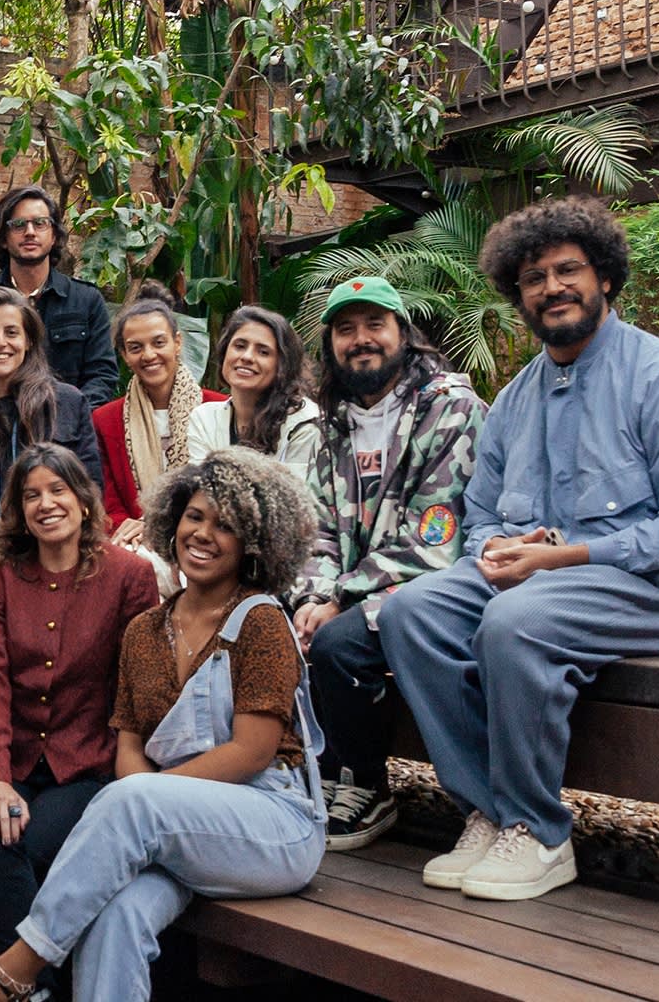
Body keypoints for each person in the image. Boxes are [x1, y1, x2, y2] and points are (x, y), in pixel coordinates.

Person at [377, 197, 659, 902]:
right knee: (410, 611)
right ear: (518, 294)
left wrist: (560, 558)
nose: (551, 287)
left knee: (517, 620)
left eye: (568, 269)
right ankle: (490, 808)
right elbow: (479, 514)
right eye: (533, 277)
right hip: (537, 582)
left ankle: (540, 832)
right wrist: (492, 552)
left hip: (656, 590)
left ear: (604, 277)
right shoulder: (515, 398)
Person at [0, 447, 325, 1002]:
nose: (203, 534)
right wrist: (150, 799)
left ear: (255, 543)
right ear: (172, 521)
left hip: (272, 823)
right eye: (194, 517)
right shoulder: (148, 631)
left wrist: (151, 797)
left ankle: (15, 974)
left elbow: (252, 752)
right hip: (178, 828)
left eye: (225, 525)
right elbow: (129, 751)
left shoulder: (259, 619)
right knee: (114, 915)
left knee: (128, 800)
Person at [292, 276, 487, 852]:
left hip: (436, 587)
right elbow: (317, 527)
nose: (361, 340)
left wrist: (337, 600)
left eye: (375, 324)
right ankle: (320, 772)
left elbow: (434, 539)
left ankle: (367, 785)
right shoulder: (330, 425)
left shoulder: (452, 410)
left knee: (342, 643)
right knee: (285, 627)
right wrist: (310, 598)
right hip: (352, 591)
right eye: (346, 330)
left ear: (403, 332)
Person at [0, 444, 158, 987]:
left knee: (24, 844)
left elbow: (137, 687)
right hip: (14, 757)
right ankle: (37, 991)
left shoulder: (129, 576)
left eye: (57, 490)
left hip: (87, 762)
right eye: (30, 495)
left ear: (85, 503)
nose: (45, 504)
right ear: (18, 512)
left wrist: (128, 764)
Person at [0, 288, 103, 709]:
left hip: (51, 552)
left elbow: (89, 491)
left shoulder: (66, 404)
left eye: (12, 332)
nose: (0, 343)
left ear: (29, 339)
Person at [92, 283, 225, 595]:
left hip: (203, 535)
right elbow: (108, 501)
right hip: (137, 543)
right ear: (124, 355)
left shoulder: (217, 408)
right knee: (135, 566)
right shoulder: (105, 420)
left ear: (178, 343)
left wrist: (165, 528)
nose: (148, 355)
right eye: (135, 347)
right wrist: (141, 530)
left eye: (159, 343)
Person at [0, 186, 119, 406]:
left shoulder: (87, 300)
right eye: (19, 224)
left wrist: (70, 421)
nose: (30, 232)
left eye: (40, 223)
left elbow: (102, 376)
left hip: (66, 430)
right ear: (3, 238)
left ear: (54, 236)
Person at [187, 305, 321, 482]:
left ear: (282, 366)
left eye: (263, 352)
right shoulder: (205, 418)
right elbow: (200, 490)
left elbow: (292, 501)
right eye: (240, 346)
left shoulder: (305, 423)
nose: (247, 357)